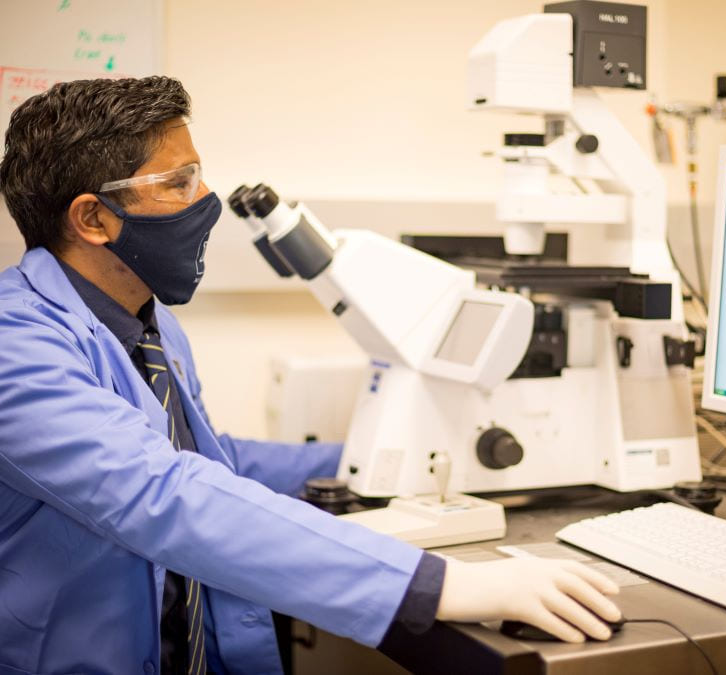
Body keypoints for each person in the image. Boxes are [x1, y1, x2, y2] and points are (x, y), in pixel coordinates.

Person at [0, 76, 622, 674]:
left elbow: (212, 460)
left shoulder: (146, 317)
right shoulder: (16, 343)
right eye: (181, 182)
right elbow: (162, 492)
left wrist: (383, 456)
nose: (206, 199)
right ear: (93, 219)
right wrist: (445, 586)